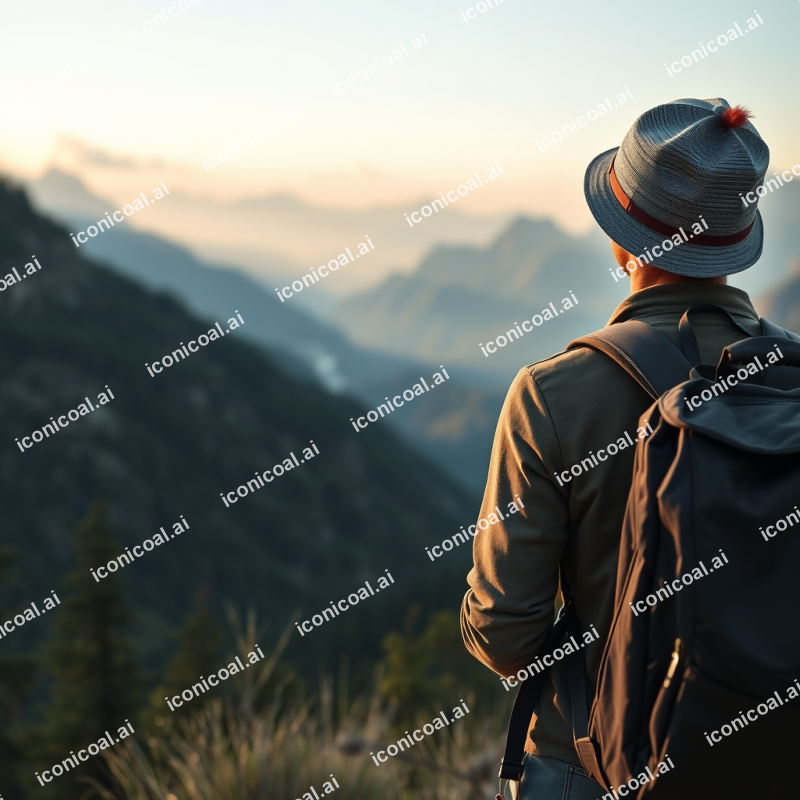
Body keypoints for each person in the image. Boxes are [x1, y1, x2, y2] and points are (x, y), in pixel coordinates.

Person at [460, 97, 770, 799]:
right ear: (737, 241)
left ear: (621, 241)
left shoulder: (552, 395)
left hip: (592, 765)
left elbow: (504, 633)